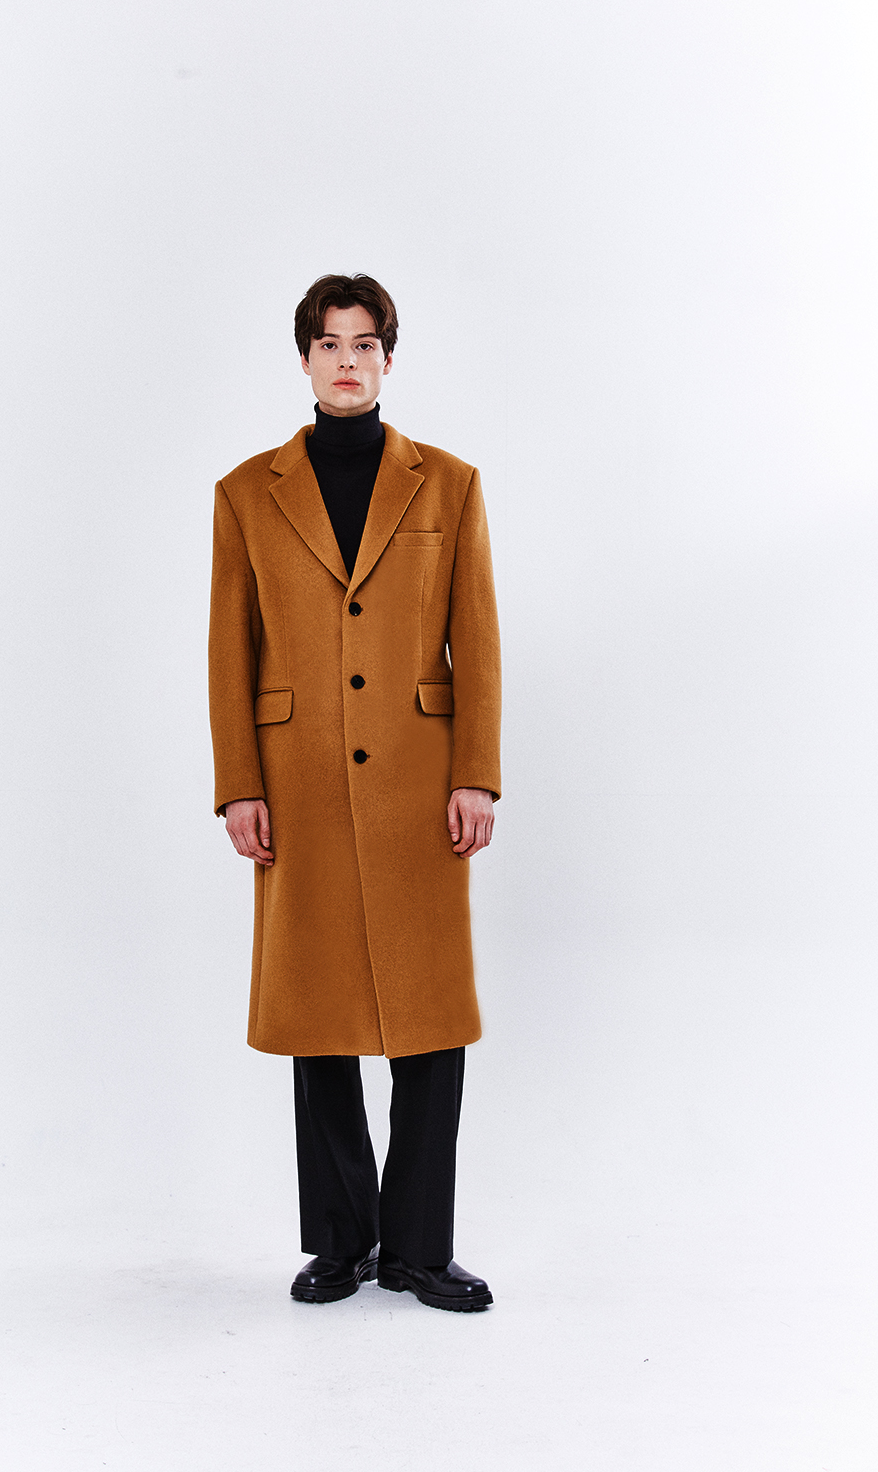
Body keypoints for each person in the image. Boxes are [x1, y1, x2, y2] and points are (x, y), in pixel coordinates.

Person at [208, 274, 502, 1312]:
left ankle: (419, 1248)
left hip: (420, 783)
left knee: (431, 1013)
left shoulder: (449, 484)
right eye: (329, 343)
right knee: (317, 1013)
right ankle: (340, 1242)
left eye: (364, 343)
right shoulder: (245, 492)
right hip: (296, 784)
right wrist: (238, 787)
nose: (346, 360)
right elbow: (229, 653)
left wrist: (475, 773)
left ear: (386, 358)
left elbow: (477, 641)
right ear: (304, 359)